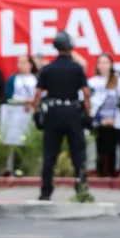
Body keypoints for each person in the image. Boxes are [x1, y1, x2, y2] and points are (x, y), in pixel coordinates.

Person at [32, 32, 91, 201]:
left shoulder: (48, 69)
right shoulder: (77, 68)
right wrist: (88, 116)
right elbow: (86, 94)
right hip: (73, 113)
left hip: (53, 114)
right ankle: (81, 188)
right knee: (78, 154)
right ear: (71, 47)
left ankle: (46, 191)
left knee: (49, 154)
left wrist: (37, 114)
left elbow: (37, 96)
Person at [88, 53, 120, 178]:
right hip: (99, 122)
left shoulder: (118, 81)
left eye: (106, 62)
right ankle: (100, 171)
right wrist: (100, 119)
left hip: (117, 121)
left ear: (111, 64)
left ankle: (115, 172)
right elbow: (90, 104)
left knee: (115, 150)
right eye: (101, 62)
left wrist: (114, 119)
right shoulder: (92, 82)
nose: (103, 65)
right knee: (100, 148)